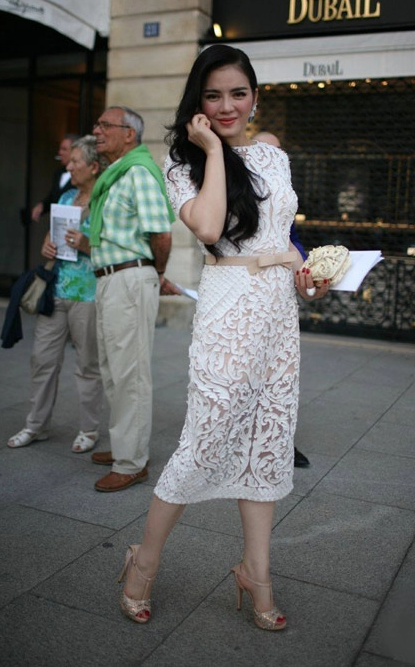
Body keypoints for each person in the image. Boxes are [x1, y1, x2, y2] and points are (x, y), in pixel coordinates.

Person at [117, 45, 329, 630]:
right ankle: (143, 562)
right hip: (228, 308)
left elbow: (283, 239)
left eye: (239, 93)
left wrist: (306, 276)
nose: (228, 105)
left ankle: (255, 573)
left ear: (256, 96)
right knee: (206, 437)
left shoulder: (273, 155)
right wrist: (212, 148)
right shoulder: (181, 163)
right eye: (214, 95)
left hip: (278, 312)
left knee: (268, 438)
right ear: (198, 103)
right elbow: (209, 227)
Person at [89, 106, 178, 493]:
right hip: (111, 279)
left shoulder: (138, 172)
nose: (97, 131)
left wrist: (157, 274)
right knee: (113, 368)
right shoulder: (116, 176)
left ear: (130, 134)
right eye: (98, 125)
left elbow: (161, 233)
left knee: (130, 372)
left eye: (105, 125)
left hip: (129, 277)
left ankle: (132, 463)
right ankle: (125, 443)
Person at [8, 135, 105, 453]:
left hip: (88, 294)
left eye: (76, 161)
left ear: (93, 166)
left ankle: (89, 430)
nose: (70, 165)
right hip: (56, 289)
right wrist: (47, 243)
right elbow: (53, 233)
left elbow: (116, 249)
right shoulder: (65, 197)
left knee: (87, 365)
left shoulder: (106, 200)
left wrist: (87, 244)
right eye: (70, 160)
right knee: (43, 360)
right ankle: (36, 426)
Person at [255, 131, 310, 469]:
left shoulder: (284, 195)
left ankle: (281, 442)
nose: (274, 158)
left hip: (281, 295)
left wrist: (307, 270)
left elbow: (292, 239)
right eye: (266, 151)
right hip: (248, 293)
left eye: (278, 152)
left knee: (279, 375)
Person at [31, 134, 79, 222]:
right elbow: (53, 196)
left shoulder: (81, 175)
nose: (60, 152)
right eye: (60, 149)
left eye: (64, 149)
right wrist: (42, 205)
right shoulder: (58, 173)